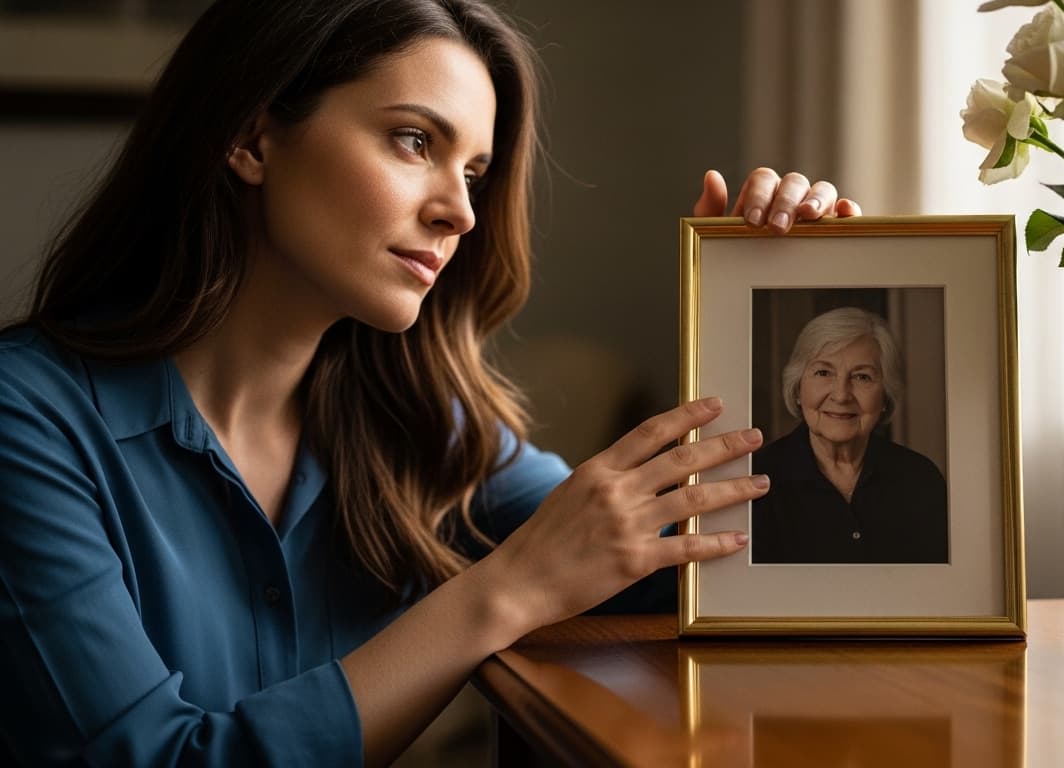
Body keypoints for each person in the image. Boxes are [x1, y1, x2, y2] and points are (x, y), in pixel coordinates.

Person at [0, 1, 862, 765]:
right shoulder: (27, 421)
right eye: (416, 141)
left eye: (476, 173)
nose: (462, 211)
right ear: (253, 137)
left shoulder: (422, 425)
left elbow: (684, 569)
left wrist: (745, 317)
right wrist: (507, 589)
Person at [750, 307, 948, 564]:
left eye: (862, 377)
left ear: (885, 397)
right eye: (823, 373)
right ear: (798, 388)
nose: (841, 395)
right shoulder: (756, 482)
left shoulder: (920, 480)